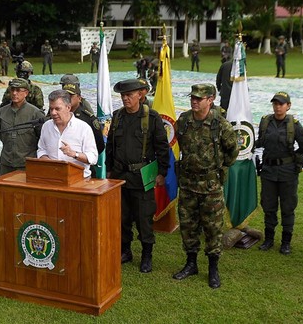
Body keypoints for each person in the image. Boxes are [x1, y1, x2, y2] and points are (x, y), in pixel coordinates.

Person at [172, 83, 238, 288]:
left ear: (210, 100)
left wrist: (216, 168)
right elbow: (180, 144)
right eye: (192, 97)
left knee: (213, 228)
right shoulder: (183, 121)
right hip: (188, 184)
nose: (194, 100)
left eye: (199, 98)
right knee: (188, 226)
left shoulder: (220, 125)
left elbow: (233, 152)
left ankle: (213, 268)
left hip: (210, 186)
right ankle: (191, 264)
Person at [106, 78, 170, 273]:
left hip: (142, 177)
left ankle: (146, 254)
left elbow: (162, 147)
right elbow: (111, 147)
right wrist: (109, 170)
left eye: (129, 95)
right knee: (122, 218)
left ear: (140, 95)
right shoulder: (117, 117)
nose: (125, 99)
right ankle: (125, 251)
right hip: (119, 176)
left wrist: (162, 172)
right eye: (123, 95)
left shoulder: (151, 117)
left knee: (144, 219)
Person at [255, 92, 303, 255]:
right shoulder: (265, 121)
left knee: (287, 207)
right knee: (269, 206)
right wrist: (245, 143)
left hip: (288, 172)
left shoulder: (294, 124)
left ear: (288, 106)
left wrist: (293, 158)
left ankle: (286, 242)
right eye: (275, 104)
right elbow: (260, 142)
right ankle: (269, 239)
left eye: (281, 104)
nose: (278, 107)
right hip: (268, 171)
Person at [37, 89, 98, 178]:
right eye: (51, 109)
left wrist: (74, 154)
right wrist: (47, 160)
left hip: (78, 179)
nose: (53, 113)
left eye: (57, 109)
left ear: (68, 107)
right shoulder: (46, 126)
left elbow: (93, 158)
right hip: (52, 177)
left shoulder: (83, 128)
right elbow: (41, 149)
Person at [0, 78, 45, 176]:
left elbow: (42, 137)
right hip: (6, 163)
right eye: (12, 90)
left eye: (18, 90)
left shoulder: (35, 113)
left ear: (26, 93)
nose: (14, 93)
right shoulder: (2, 112)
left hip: (26, 163)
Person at [63, 83, 105, 177]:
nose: (67, 99)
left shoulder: (88, 119)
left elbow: (99, 144)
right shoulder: (56, 116)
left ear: (79, 98)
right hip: (61, 168)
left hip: (83, 169)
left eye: (71, 96)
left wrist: (84, 157)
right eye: (64, 96)